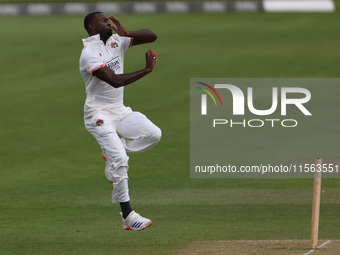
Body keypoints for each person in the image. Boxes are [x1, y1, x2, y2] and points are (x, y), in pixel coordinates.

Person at [79, 12, 161, 231]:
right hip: (98, 114)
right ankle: (128, 215)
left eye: (108, 19)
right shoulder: (89, 53)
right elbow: (114, 81)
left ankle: (117, 152)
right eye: (103, 21)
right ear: (92, 27)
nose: (108, 22)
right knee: (120, 161)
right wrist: (146, 70)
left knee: (153, 134)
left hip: (119, 110)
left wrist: (127, 33)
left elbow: (152, 36)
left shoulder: (117, 41)